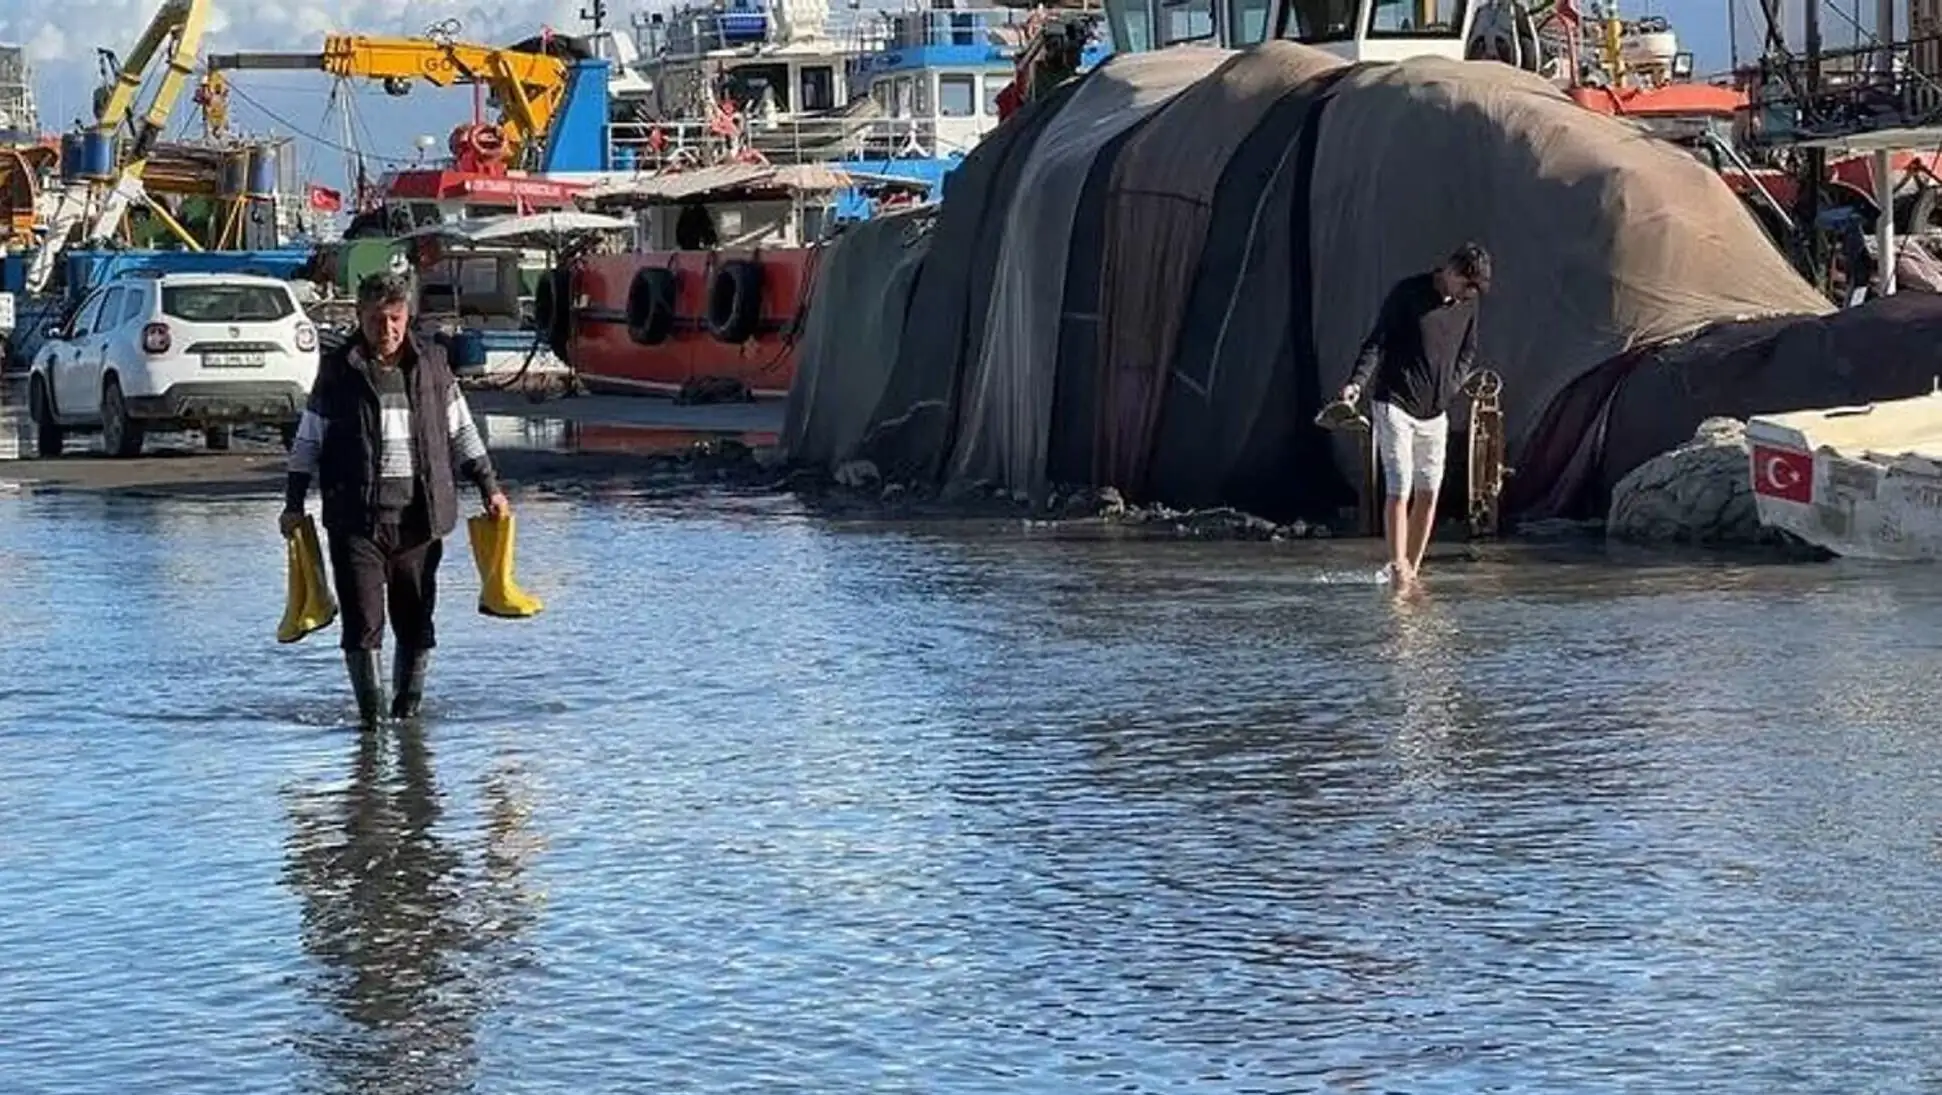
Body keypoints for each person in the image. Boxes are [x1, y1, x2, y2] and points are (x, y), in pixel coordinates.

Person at [280, 273, 509, 724]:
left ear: (408, 317)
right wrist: (293, 504)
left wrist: (491, 489)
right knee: (363, 625)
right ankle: (372, 727)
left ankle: (407, 716)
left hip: (420, 518)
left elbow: (462, 431)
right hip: (355, 521)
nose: (386, 329)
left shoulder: (434, 366)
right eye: (376, 319)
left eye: (395, 318)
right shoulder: (337, 371)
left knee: (416, 621)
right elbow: (308, 442)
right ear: (359, 317)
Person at [1337, 243, 1492, 585]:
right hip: (1395, 403)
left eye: (1475, 289)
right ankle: (1398, 567)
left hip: (1434, 412)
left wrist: (1451, 386)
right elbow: (1377, 341)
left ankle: (1412, 568)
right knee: (1400, 486)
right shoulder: (1408, 293)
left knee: (1429, 491)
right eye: (1466, 284)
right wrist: (1356, 383)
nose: (1468, 294)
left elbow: (1468, 351)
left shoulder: (1468, 305)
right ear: (1451, 270)